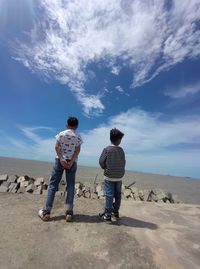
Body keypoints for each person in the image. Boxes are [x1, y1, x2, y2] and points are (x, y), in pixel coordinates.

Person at [38, 116, 83, 222]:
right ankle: (69, 212)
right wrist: (71, 161)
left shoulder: (61, 134)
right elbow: (77, 150)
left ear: (67, 124)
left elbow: (57, 147)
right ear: (76, 126)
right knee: (71, 186)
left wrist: (62, 159)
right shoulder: (78, 136)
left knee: (53, 185)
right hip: (72, 162)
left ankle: (46, 211)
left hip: (59, 161)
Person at [99, 128, 126, 223]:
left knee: (109, 195)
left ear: (110, 139)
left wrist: (105, 168)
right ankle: (116, 212)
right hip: (119, 177)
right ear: (119, 140)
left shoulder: (107, 149)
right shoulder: (121, 150)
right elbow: (123, 162)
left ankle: (107, 215)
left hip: (109, 176)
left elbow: (101, 162)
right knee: (118, 195)